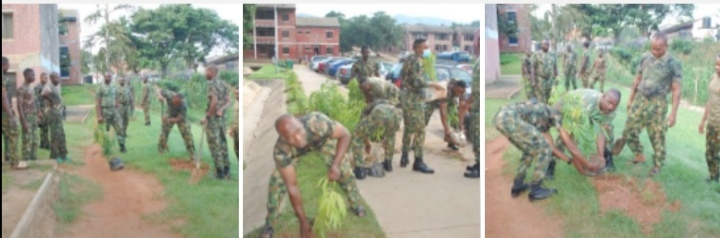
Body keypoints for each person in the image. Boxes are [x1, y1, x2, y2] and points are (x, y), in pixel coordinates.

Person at [260, 113, 366, 238]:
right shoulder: (281, 150)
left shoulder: (317, 123)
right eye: (291, 137)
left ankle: (356, 203)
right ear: (283, 138)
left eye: (299, 131)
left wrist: (336, 164)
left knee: (344, 169)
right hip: (294, 152)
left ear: (300, 124)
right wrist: (303, 222)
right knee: (276, 185)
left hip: (322, 142)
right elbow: (292, 186)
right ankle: (269, 224)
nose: (298, 138)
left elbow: (345, 134)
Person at [494, 100, 598, 201]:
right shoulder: (556, 114)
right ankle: (536, 189)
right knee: (544, 150)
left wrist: (570, 161)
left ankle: (518, 184)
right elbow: (568, 144)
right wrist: (587, 165)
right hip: (510, 118)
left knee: (530, 151)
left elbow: (552, 148)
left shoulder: (542, 118)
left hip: (500, 118)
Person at [613, 32, 683, 177]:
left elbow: (676, 89)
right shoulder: (645, 57)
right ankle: (639, 154)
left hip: (658, 103)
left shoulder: (673, 63)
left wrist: (673, 113)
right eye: (653, 48)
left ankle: (658, 165)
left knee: (657, 135)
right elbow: (637, 78)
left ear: (666, 46)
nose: (655, 52)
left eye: (659, 49)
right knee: (629, 130)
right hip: (640, 98)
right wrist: (631, 98)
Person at [549, 89, 621, 179]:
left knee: (605, 131)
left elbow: (601, 131)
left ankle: (606, 157)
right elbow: (570, 142)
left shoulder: (610, 111)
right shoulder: (586, 102)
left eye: (615, 105)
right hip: (562, 111)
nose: (611, 107)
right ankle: (550, 166)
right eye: (609, 102)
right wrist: (583, 167)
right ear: (603, 97)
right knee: (564, 140)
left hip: (585, 114)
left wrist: (600, 156)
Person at [399, 38, 435, 174]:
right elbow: (417, 81)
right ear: (418, 48)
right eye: (425, 47)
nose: (427, 50)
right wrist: (432, 84)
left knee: (408, 127)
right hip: (414, 99)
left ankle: (404, 156)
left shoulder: (408, 59)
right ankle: (418, 161)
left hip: (407, 97)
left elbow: (403, 76)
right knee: (420, 130)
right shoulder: (417, 61)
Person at [203, 66, 233, 180]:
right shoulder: (223, 84)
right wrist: (222, 109)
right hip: (222, 120)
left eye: (206, 71)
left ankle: (219, 172)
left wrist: (208, 115)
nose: (205, 73)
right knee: (222, 143)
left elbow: (214, 101)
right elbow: (228, 101)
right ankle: (226, 169)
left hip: (214, 120)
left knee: (214, 145)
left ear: (211, 72)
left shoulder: (211, 84)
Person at [424, 79, 468, 151]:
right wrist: (446, 128)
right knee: (424, 119)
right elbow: (443, 111)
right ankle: (415, 143)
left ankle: (452, 142)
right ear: (455, 87)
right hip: (436, 95)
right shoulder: (445, 90)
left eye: (461, 93)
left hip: (450, 98)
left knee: (454, 118)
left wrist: (461, 126)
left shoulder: (462, 91)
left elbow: (461, 110)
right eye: (459, 92)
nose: (460, 94)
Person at [155, 87, 195, 160]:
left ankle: (191, 153)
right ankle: (160, 151)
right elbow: (158, 89)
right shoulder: (169, 94)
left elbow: (179, 119)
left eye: (179, 103)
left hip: (179, 118)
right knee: (163, 132)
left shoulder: (184, 105)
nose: (177, 104)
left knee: (187, 134)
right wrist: (160, 96)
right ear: (175, 97)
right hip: (170, 113)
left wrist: (167, 120)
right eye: (176, 102)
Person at [699, 55, 720, 184]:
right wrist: (703, 120)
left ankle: (716, 179)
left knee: (716, 152)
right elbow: (709, 101)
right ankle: (713, 175)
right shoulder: (714, 77)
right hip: (711, 121)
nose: (717, 67)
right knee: (709, 152)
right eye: (716, 64)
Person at [95, 72, 127, 153]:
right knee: (106, 131)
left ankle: (122, 146)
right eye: (107, 77)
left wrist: (117, 107)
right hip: (105, 111)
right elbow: (98, 103)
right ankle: (106, 148)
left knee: (120, 128)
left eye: (110, 77)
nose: (108, 78)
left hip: (114, 111)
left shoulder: (114, 87)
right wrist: (99, 116)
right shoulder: (100, 88)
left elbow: (117, 98)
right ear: (104, 77)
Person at [43, 73, 69, 163]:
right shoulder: (49, 86)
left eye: (59, 78)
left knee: (61, 134)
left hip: (57, 114)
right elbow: (43, 94)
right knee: (55, 135)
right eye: (57, 78)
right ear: (51, 78)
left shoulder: (55, 87)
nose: (59, 80)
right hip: (52, 113)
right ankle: (54, 157)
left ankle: (63, 155)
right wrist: (52, 101)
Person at [17, 68, 40, 162]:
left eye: (34, 75)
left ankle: (33, 158)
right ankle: (26, 159)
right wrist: (23, 122)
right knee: (27, 140)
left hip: (33, 116)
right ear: (26, 76)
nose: (34, 77)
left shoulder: (31, 87)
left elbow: (34, 101)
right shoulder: (21, 89)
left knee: (35, 139)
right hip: (26, 117)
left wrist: (38, 114)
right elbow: (19, 106)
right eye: (32, 75)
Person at [2, 57, 21, 168]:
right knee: (14, 132)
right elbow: (3, 98)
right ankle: (14, 162)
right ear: (4, 65)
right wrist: (11, 116)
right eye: (8, 64)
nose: (9, 67)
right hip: (4, 113)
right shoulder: (3, 78)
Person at [465, 60, 481, 178]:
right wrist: (470, 101)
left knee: (478, 134)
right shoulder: (477, 61)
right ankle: (478, 161)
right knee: (474, 134)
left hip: (479, 106)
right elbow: (475, 86)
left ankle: (480, 166)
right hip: (475, 105)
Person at [531, 39, 558, 104]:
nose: (547, 46)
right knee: (541, 100)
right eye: (545, 44)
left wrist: (557, 78)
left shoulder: (553, 54)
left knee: (550, 99)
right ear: (541, 45)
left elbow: (555, 67)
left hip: (550, 80)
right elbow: (533, 68)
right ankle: (543, 112)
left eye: (548, 44)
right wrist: (533, 80)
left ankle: (550, 112)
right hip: (540, 80)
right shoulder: (536, 54)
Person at [35, 73, 50, 150]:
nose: (46, 80)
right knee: (38, 126)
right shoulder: (38, 87)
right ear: (40, 78)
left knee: (45, 127)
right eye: (44, 78)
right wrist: (38, 111)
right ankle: (39, 144)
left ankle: (44, 143)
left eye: (47, 78)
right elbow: (36, 100)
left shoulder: (45, 87)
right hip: (40, 110)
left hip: (45, 110)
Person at [230, 88, 240, 159]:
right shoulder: (236, 102)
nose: (236, 95)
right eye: (235, 93)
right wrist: (232, 128)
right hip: (236, 130)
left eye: (237, 93)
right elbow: (234, 117)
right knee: (236, 148)